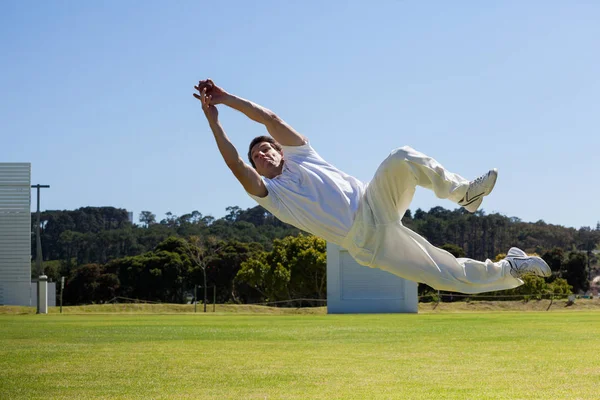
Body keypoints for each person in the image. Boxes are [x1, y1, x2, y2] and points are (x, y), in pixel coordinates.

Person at [193, 79, 550, 294]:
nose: (263, 153)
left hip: (373, 201)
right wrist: (213, 119)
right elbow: (232, 162)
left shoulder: (302, 154)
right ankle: (511, 269)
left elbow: (269, 119)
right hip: (368, 242)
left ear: (279, 148)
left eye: (267, 147)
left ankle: (464, 194)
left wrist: (226, 98)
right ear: (256, 165)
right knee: (446, 275)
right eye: (256, 155)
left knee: (402, 157)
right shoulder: (273, 196)